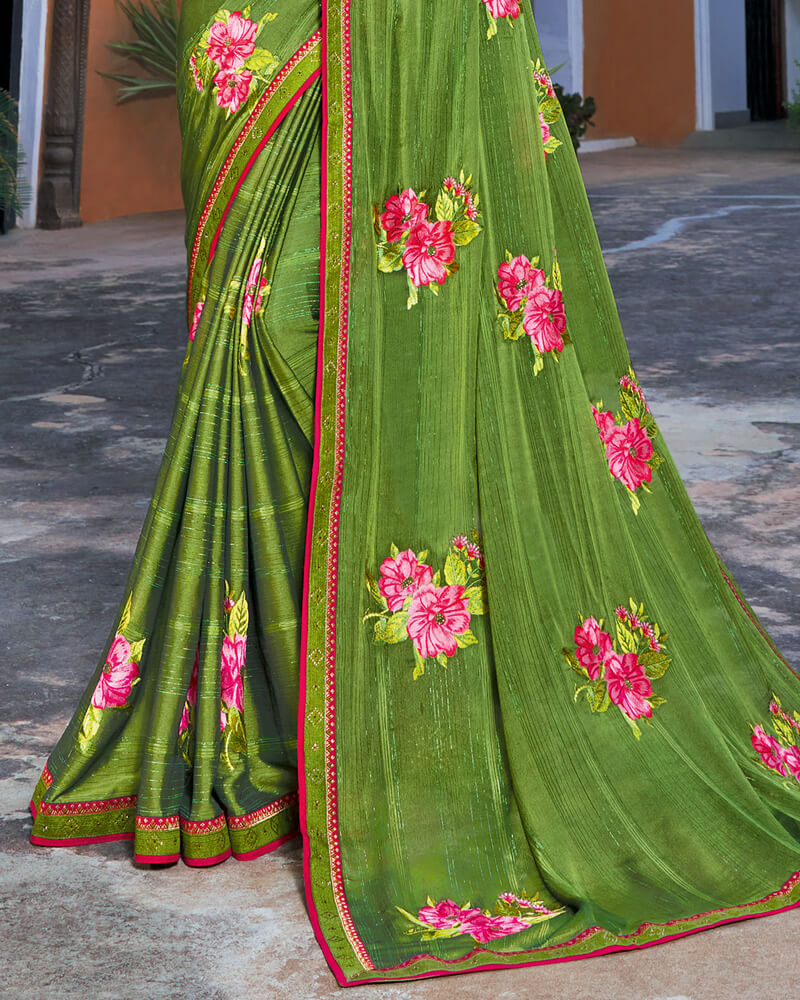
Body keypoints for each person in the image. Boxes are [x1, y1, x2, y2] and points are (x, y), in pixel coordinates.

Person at [29, 0, 800, 987]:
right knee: (256, 334)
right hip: (262, 36)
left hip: (415, 30)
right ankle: (287, 721)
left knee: (367, 347)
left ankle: (401, 726)